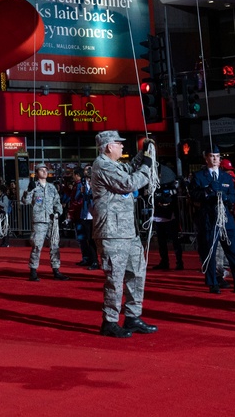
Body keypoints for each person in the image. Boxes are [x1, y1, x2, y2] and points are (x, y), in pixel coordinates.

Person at [89, 130, 157, 337]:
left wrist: (142, 153)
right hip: (112, 232)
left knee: (136, 274)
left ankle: (132, 316)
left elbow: (127, 169)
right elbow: (128, 182)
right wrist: (146, 165)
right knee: (115, 278)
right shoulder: (102, 165)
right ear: (109, 146)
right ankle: (110, 321)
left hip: (127, 231)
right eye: (119, 144)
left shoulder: (113, 165)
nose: (121, 147)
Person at [189, 148, 235, 295]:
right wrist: (207, 191)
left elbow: (233, 196)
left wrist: (227, 198)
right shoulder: (198, 176)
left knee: (233, 251)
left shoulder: (226, 177)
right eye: (212, 156)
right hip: (208, 217)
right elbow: (194, 195)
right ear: (206, 158)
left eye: (217, 156)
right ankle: (213, 282)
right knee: (210, 251)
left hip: (226, 217)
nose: (215, 159)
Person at [21, 162, 69, 281]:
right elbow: (25, 201)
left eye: (46, 170)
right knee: (37, 246)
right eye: (41, 170)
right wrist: (28, 190)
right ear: (36, 173)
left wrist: (58, 212)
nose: (45, 172)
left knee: (54, 246)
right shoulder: (33, 186)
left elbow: (57, 202)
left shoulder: (52, 187)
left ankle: (56, 270)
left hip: (52, 220)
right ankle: (33, 270)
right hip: (39, 221)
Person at [151, 175, 183, 271]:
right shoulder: (154, 186)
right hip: (158, 217)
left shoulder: (170, 186)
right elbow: (152, 199)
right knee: (161, 242)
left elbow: (172, 199)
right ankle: (164, 261)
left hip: (170, 217)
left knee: (175, 241)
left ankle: (179, 262)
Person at [70, 166, 99, 269]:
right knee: (87, 239)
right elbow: (77, 198)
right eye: (86, 169)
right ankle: (91, 260)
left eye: (89, 169)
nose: (87, 171)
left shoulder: (96, 181)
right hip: (85, 214)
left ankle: (95, 261)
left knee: (93, 240)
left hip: (94, 214)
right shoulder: (82, 183)